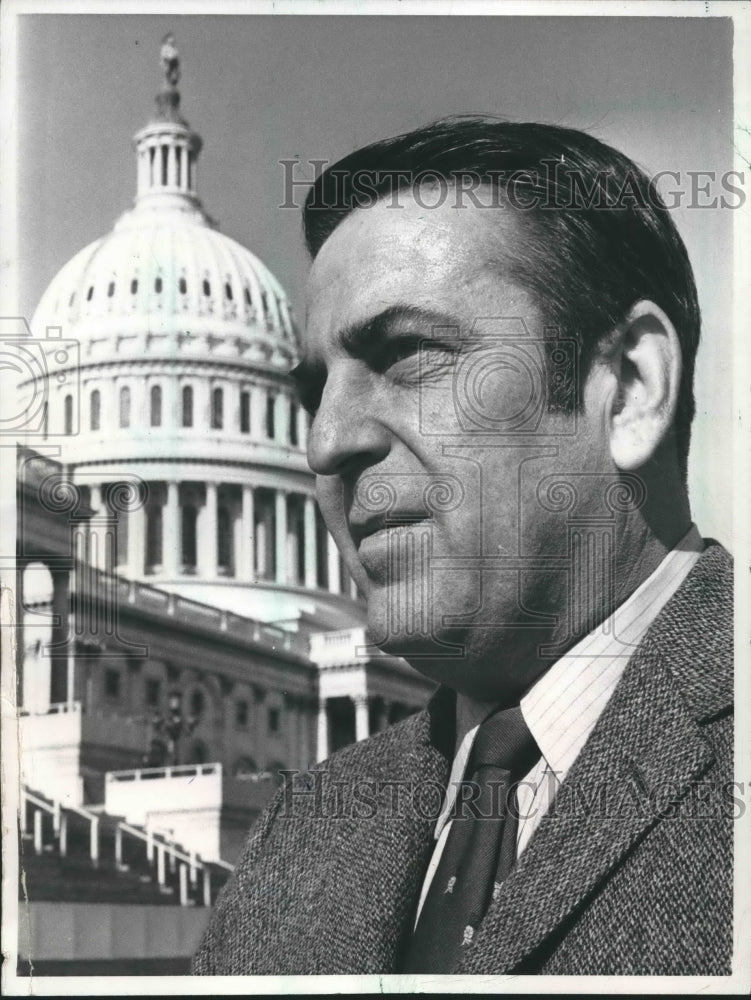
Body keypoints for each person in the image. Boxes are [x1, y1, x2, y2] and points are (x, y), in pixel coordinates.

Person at [193, 118, 733, 976]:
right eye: (313, 392)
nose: (325, 443)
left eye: (407, 354)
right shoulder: (295, 837)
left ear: (630, 388)